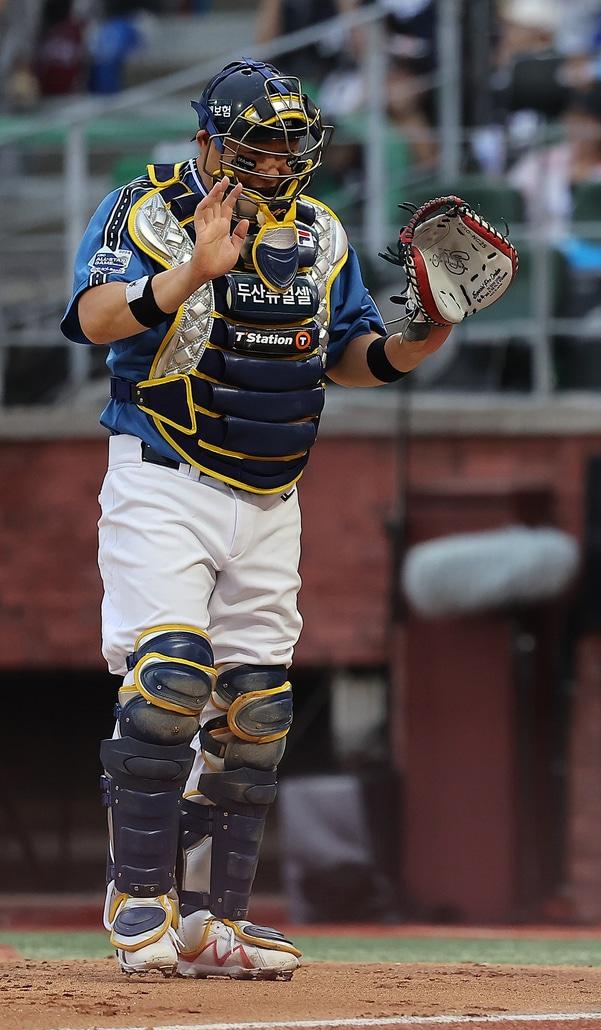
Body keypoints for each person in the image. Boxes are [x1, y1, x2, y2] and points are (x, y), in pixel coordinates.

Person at [60, 59, 488, 979]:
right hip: (164, 476)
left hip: (272, 494)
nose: (281, 158)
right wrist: (189, 273)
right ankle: (138, 889)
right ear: (211, 140)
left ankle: (218, 921)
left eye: (293, 141)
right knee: (171, 680)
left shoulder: (322, 233)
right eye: (262, 140)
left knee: (257, 710)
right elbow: (93, 319)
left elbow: (353, 357)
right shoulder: (146, 209)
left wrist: (426, 339)